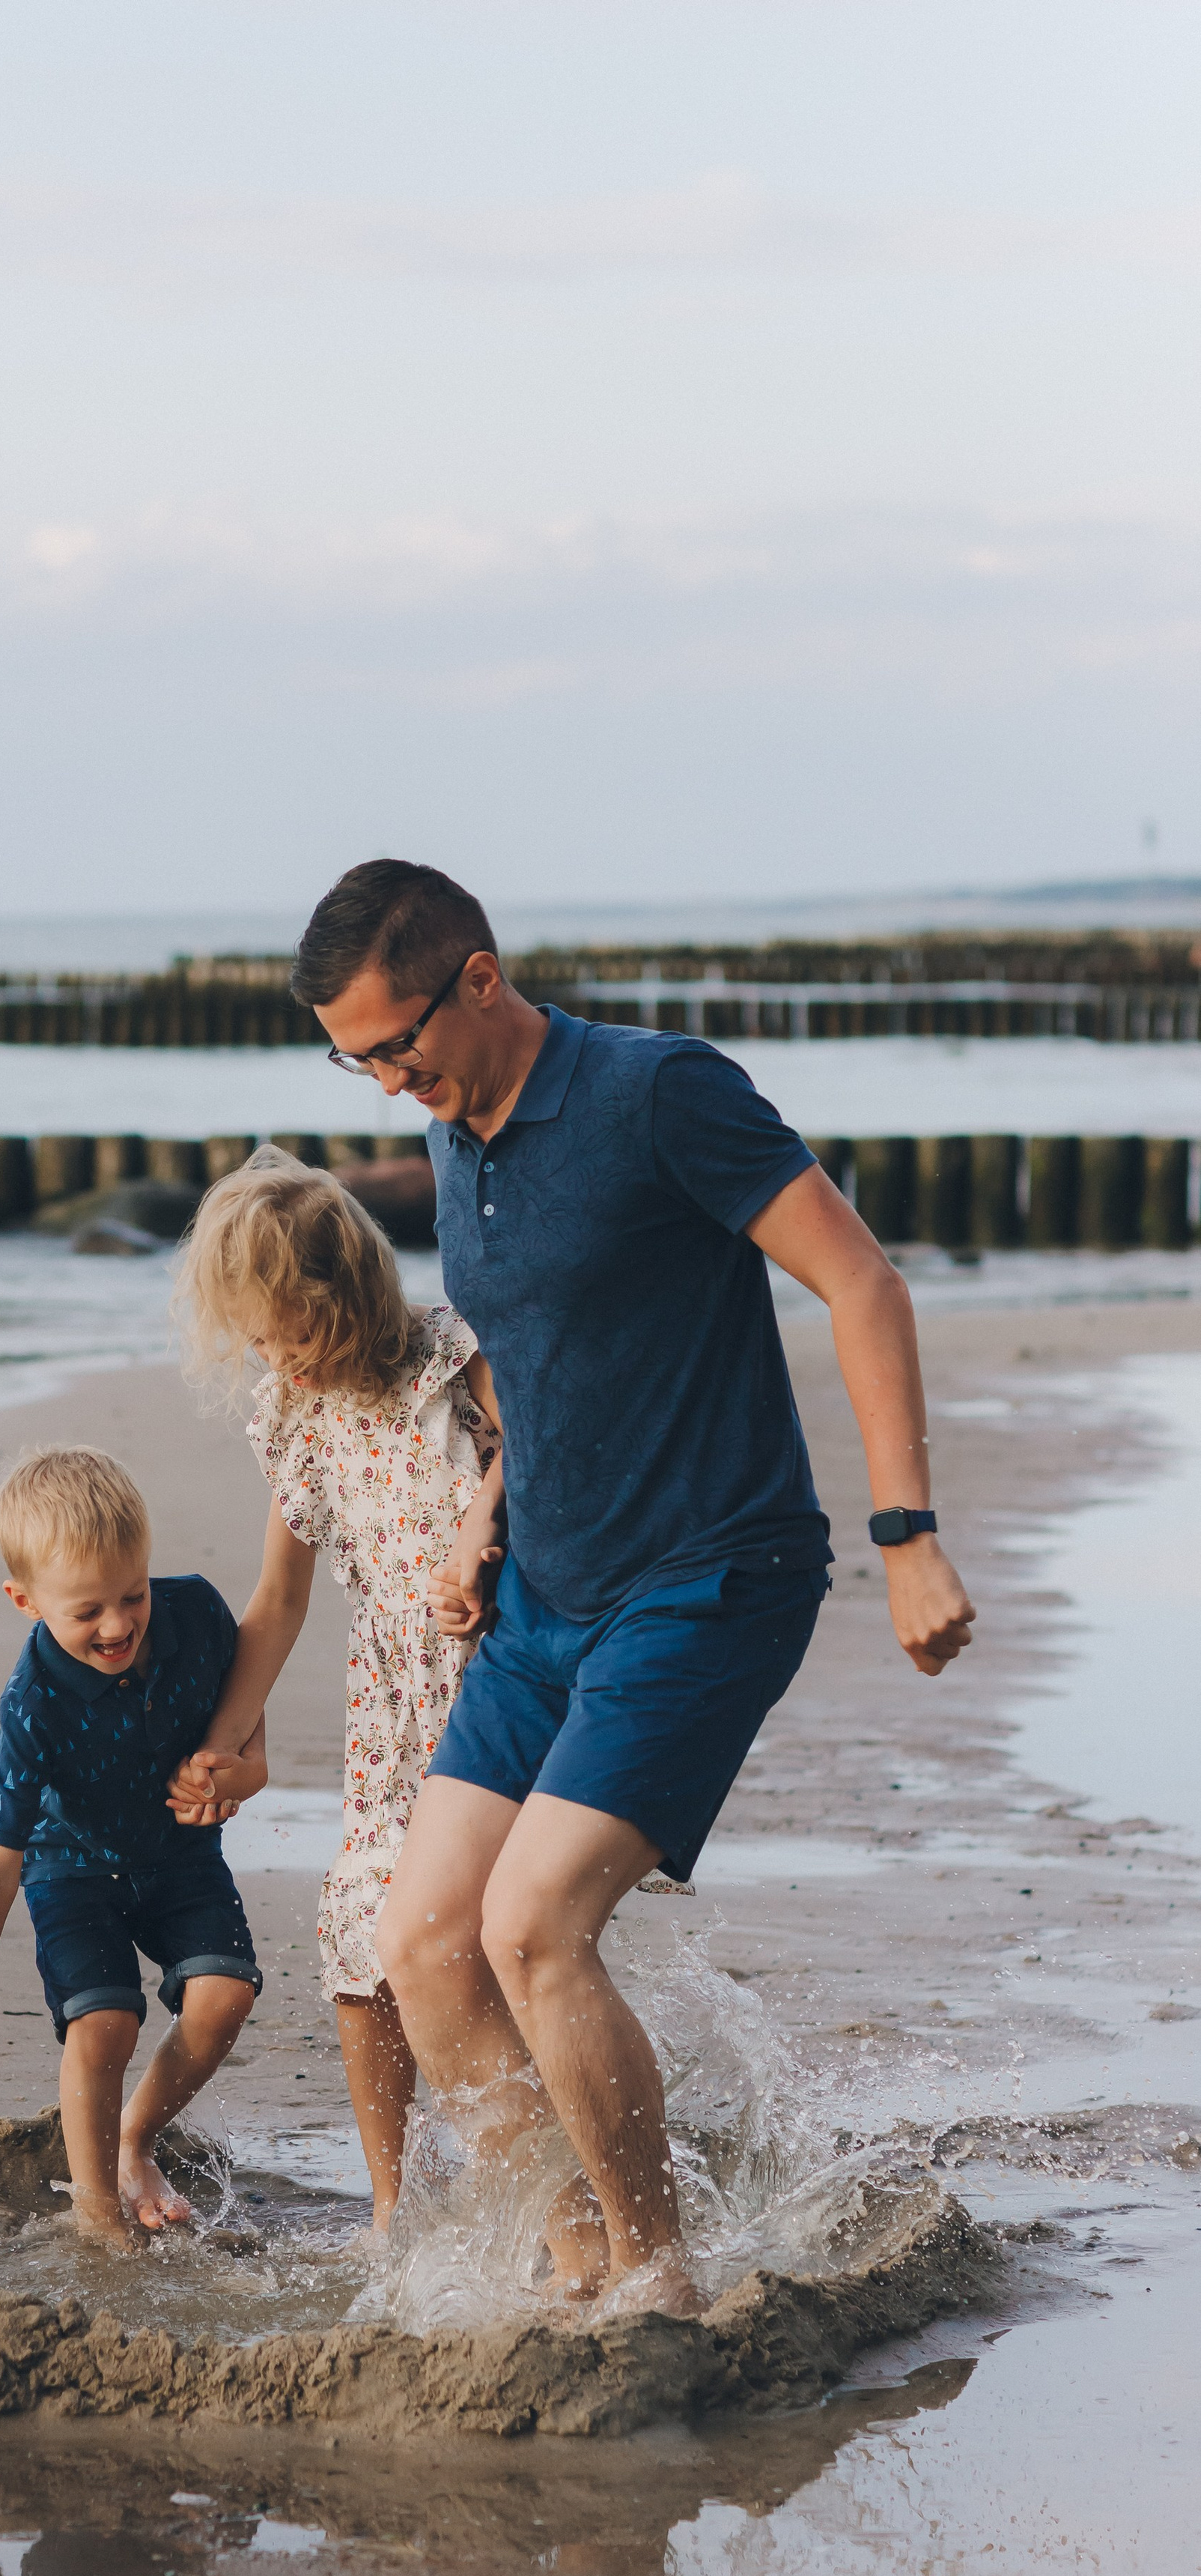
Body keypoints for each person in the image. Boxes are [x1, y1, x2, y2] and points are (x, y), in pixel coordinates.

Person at [292, 859, 978, 2309]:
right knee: (421, 1946)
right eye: (354, 1060)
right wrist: (492, 1508)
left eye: (395, 1044)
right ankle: (578, 2255)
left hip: (709, 1576)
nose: (383, 1081)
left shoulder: (660, 1094)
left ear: (479, 979)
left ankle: (662, 2280)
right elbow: (546, 1355)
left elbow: (863, 1284)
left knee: (533, 1927)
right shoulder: (463, 1136)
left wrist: (908, 1532)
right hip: (546, 1592)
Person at [166, 1145, 499, 2229]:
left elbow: (553, 1453)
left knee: (485, 1940)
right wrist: (226, 1739)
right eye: (257, 1339)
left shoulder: (454, 1362)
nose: (277, 1356)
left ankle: (533, 2173)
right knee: (356, 1930)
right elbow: (277, 1602)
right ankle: (398, 2201)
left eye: (292, 1329)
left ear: (349, 1290)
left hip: (500, 1681)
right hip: (389, 1705)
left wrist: (488, 1555)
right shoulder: (296, 1416)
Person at [0, 1443, 267, 2243]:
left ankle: (137, 2140)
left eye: (131, 1595)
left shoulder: (198, 1613)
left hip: (179, 1858)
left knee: (224, 1997)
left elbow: (245, 1704)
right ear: (23, 1600)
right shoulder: (32, 1705)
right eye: (86, 1611)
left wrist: (242, 1777)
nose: (117, 1625)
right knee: (104, 2026)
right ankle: (99, 2210)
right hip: (71, 1871)